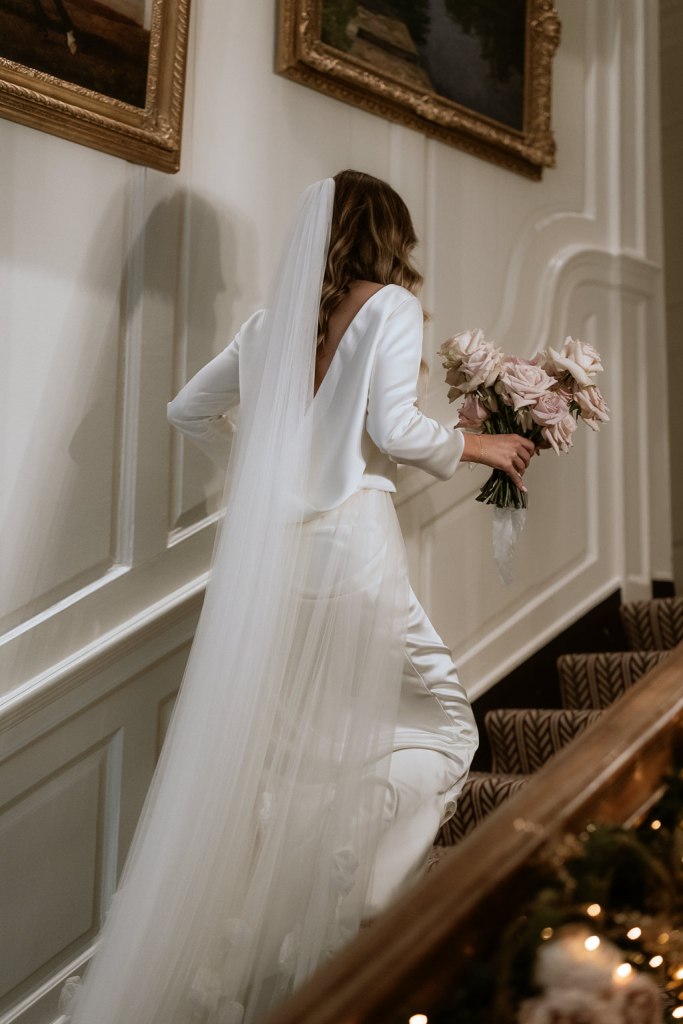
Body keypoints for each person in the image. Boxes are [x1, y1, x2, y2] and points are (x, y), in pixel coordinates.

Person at [58, 171, 535, 1024]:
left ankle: (308, 929)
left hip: (279, 564)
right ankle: (363, 915)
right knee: (445, 723)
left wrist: (263, 474)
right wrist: (484, 443)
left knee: (301, 757)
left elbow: (186, 413)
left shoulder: (268, 328)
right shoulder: (385, 306)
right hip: (352, 550)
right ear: (384, 237)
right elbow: (394, 430)